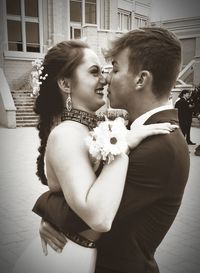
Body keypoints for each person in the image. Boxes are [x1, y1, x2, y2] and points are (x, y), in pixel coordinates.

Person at [12, 39, 176, 273]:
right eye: (94, 72)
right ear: (66, 84)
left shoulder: (91, 129)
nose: (105, 78)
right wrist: (122, 147)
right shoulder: (66, 134)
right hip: (64, 257)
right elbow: (99, 218)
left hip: (81, 254)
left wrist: (52, 215)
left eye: (105, 70)